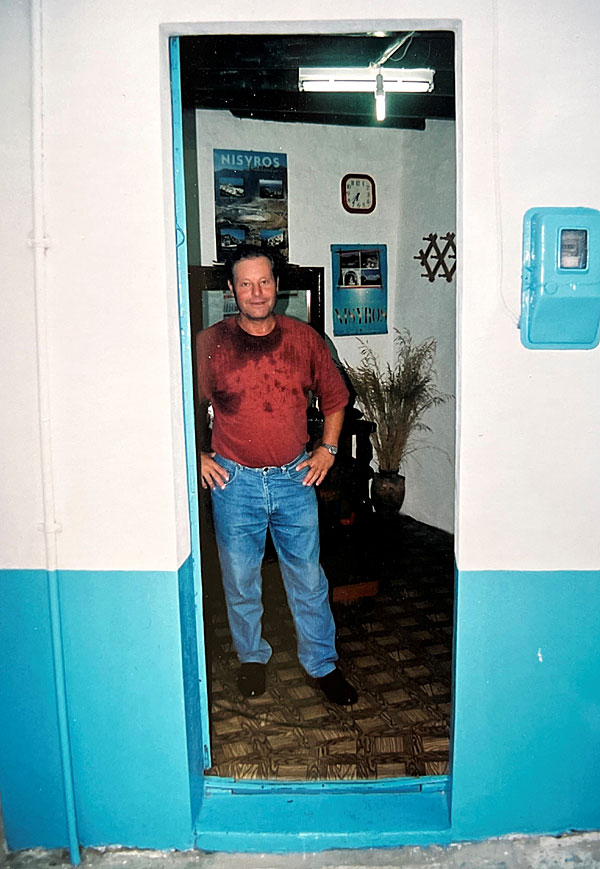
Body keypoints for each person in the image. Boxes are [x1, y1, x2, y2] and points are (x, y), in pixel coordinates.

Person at [196, 245, 358, 706]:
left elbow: (335, 397)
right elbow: (182, 403)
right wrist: (199, 454)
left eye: (264, 282)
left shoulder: (303, 339)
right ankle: (251, 658)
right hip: (233, 483)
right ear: (230, 290)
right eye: (245, 283)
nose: (256, 292)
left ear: (278, 286)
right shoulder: (210, 344)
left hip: (293, 480)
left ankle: (322, 665)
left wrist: (327, 448)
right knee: (241, 578)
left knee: (308, 578)